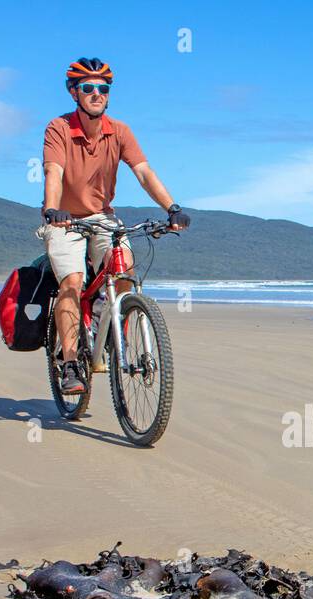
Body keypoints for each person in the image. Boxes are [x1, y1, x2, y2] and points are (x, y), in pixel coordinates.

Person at [39, 57, 191, 395]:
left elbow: (143, 172)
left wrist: (172, 208)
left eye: (103, 88)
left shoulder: (119, 131)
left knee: (125, 271)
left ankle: (107, 325)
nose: (96, 93)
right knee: (72, 282)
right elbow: (54, 172)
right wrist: (52, 208)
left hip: (103, 218)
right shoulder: (59, 128)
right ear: (74, 92)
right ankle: (69, 364)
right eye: (88, 88)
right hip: (65, 219)